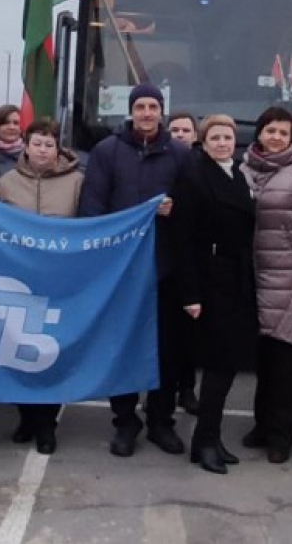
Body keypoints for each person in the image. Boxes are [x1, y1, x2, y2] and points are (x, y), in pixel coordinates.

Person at [79, 82, 190, 458]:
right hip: (121, 270)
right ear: (131, 111)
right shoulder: (107, 152)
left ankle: (161, 421)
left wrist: (176, 211)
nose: (146, 113)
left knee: (167, 351)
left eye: (153, 107)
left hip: (166, 267)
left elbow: (193, 206)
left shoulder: (179, 153)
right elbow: (92, 209)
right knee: (123, 348)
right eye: (140, 106)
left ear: (162, 112)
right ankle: (125, 422)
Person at [239, 106, 292, 464]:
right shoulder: (244, 169)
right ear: (259, 133)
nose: (275, 137)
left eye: (283, 133)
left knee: (286, 366)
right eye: (270, 130)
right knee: (262, 362)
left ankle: (281, 436)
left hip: (290, 283)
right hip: (252, 281)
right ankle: (261, 426)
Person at [0, 119, 83, 455]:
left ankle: (47, 423)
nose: (43, 150)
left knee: (50, 352)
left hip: (59, 278)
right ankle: (26, 417)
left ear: (57, 148)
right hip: (18, 278)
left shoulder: (77, 181)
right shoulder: (6, 182)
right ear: (26, 147)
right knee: (19, 350)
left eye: (49, 144)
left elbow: (86, 225)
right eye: (37, 143)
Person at [172, 115, 254, 474]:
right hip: (208, 278)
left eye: (228, 137)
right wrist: (190, 294)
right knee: (217, 366)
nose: (222, 143)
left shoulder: (237, 175)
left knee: (229, 364)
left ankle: (212, 436)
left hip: (236, 277)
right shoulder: (193, 177)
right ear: (202, 142)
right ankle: (203, 442)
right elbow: (183, 241)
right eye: (215, 137)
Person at [167, 110, 200, 414]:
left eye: (185, 130)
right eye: (174, 129)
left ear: (195, 135)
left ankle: (187, 389)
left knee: (190, 333)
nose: (179, 135)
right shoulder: (164, 163)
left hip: (198, 259)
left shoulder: (202, 165)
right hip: (167, 257)